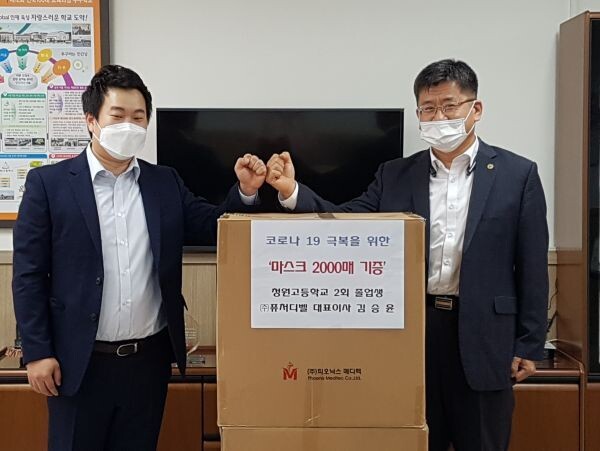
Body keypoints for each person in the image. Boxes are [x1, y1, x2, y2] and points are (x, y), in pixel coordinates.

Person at [265, 59, 549, 451]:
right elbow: (345, 223)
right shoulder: (395, 174)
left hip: (486, 336)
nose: (439, 118)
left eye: (449, 106)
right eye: (428, 109)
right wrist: (291, 191)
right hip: (412, 333)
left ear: (476, 109)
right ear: (418, 114)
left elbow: (532, 266)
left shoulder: (518, 175)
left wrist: (529, 344)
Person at [12, 64, 266, 451]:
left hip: (147, 363)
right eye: (117, 116)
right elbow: (29, 275)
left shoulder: (164, 181)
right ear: (92, 121)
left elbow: (212, 227)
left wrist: (245, 192)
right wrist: (38, 352)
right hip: (77, 362)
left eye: (138, 116)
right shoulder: (49, 184)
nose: (129, 126)